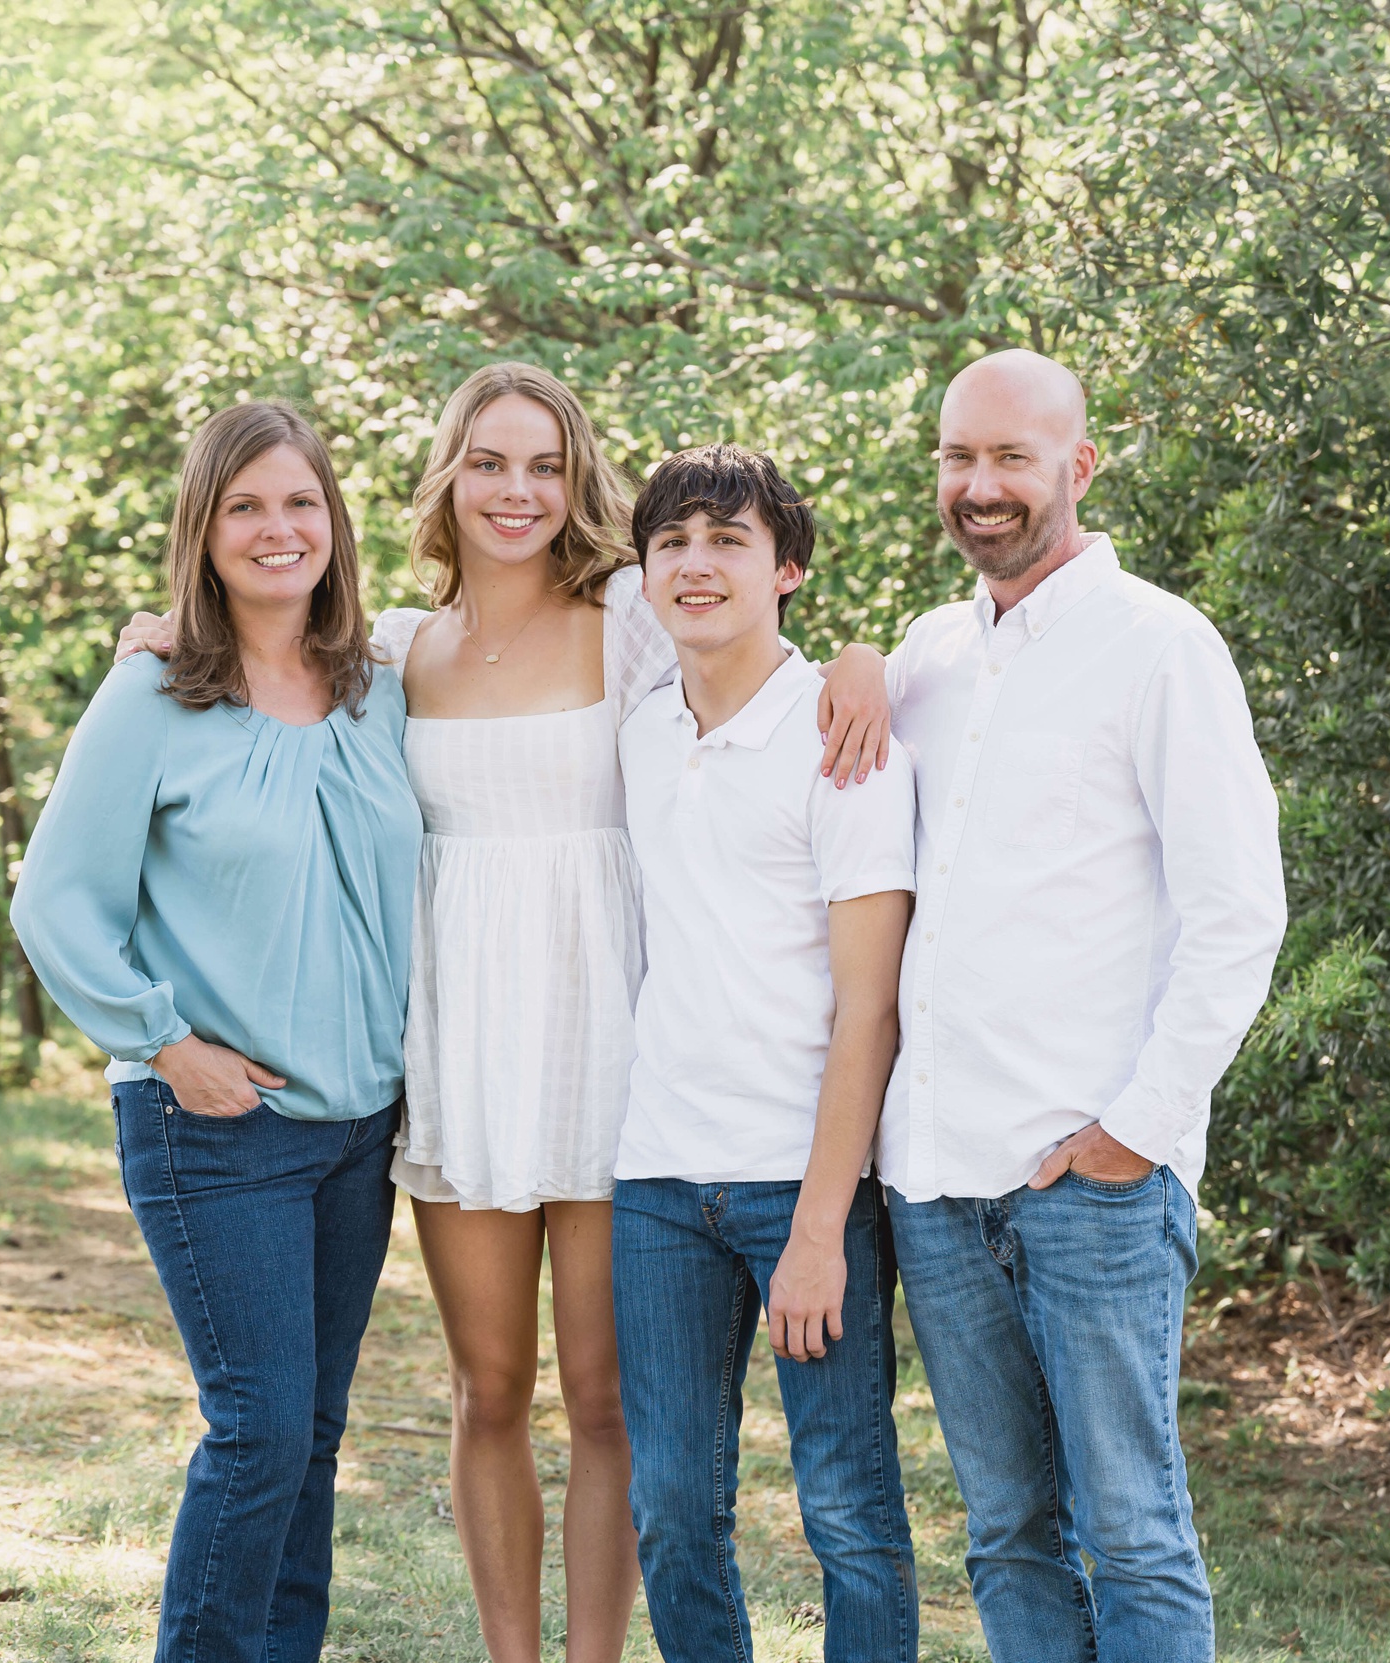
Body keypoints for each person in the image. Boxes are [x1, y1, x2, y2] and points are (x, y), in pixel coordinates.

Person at [111, 366, 893, 1663]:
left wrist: (866, 657)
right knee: (487, 1390)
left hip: (608, 1050)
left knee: (603, 1401)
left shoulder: (633, 614)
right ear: (448, 479)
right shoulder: (390, 646)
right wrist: (153, 629)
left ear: (575, 480)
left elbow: (770, 636)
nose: (516, 490)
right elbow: (244, 649)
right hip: (460, 1050)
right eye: (488, 463)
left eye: (542, 465)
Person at [875, 350, 1287, 1663]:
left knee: (1136, 1530)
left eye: (1011, 456)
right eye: (958, 457)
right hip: (936, 1182)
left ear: (1078, 466)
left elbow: (1238, 911)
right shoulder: (926, 658)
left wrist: (1137, 1130)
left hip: (1093, 1181)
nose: (980, 485)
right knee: (1005, 1532)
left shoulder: (1162, 645)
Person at [11, 400, 424, 1663]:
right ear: (202, 528)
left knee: (310, 1436)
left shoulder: (378, 690)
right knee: (256, 1430)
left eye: (299, 501)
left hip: (358, 1131)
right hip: (216, 1127)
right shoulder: (151, 693)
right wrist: (162, 1040)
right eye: (244, 505)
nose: (275, 527)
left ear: (333, 523)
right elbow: (52, 898)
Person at [610, 445, 920, 1663]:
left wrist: (816, 1231)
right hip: (657, 1179)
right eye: (672, 541)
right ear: (641, 574)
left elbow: (870, 1009)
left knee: (846, 1510)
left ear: (785, 569)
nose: (696, 564)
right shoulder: (638, 732)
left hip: (808, 1182)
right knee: (674, 1508)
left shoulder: (843, 740)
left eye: (727, 540)